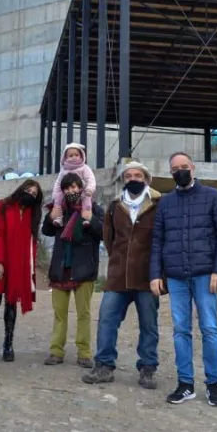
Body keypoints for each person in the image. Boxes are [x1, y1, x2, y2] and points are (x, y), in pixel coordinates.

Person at [150, 152, 217, 407]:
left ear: (193, 168)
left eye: (184, 166)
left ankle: (213, 384)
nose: (181, 171)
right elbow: (157, 240)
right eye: (175, 168)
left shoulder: (213, 196)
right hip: (175, 277)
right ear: (171, 172)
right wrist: (155, 274)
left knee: (209, 329)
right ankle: (185, 384)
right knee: (180, 331)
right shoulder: (165, 203)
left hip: (206, 275)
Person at [83, 161, 161, 389]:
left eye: (137, 175)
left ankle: (148, 369)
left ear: (146, 179)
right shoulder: (115, 206)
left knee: (149, 324)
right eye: (128, 176)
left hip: (147, 277)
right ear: (123, 180)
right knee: (107, 319)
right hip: (118, 276)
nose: (133, 179)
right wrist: (119, 260)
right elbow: (109, 239)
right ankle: (104, 366)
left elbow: (162, 240)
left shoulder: (159, 204)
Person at [42, 172, 103, 368]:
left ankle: (84, 353)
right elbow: (47, 231)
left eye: (75, 187)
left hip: (84, 269)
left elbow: (104, 232)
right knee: (59, 314)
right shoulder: (58, 208)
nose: (71, 191)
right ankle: (56, 351)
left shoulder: (93, 207)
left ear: (82, 188)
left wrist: (91, 219)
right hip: (61, 268)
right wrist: (51, 218)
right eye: (67, 188)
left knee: (83, 313)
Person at [0, 179, 43, 363]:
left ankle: (8, 343)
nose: (30, 194)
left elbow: (32, 243)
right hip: (2, 260)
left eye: (34, 193)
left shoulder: (33, 214)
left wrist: (29, 268)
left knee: (12, 303)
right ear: (21, 188)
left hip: (19, 264)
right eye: (28, 189)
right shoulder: (4, 205)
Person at [49, 143, 96, 224]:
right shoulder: (63, 170)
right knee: (58, 200)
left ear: (81, 155)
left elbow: (91, 179)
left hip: (84, 191)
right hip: (63, 197)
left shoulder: (84, 168)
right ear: (65, 158)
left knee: (87, 199)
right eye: (70, 156)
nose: (74, 157)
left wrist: (89, 189)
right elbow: (58, 183)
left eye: (76, 155)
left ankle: (86, 218)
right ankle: (58, 218)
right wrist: (55, 195)